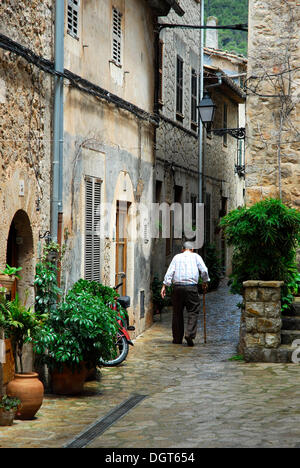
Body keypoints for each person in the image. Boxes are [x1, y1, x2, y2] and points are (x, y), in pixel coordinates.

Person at [160, 241, 210, 347]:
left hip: (177, 288)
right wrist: (205, 282)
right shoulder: (196, 257)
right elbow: (204, 270)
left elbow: (170, 272)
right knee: (193, 311)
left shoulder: (176, 257)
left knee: (177, 313)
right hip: (191, 288)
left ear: (183, 249)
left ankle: (177, 339)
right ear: (192, 249)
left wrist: (165, 285)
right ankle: (189, 334)